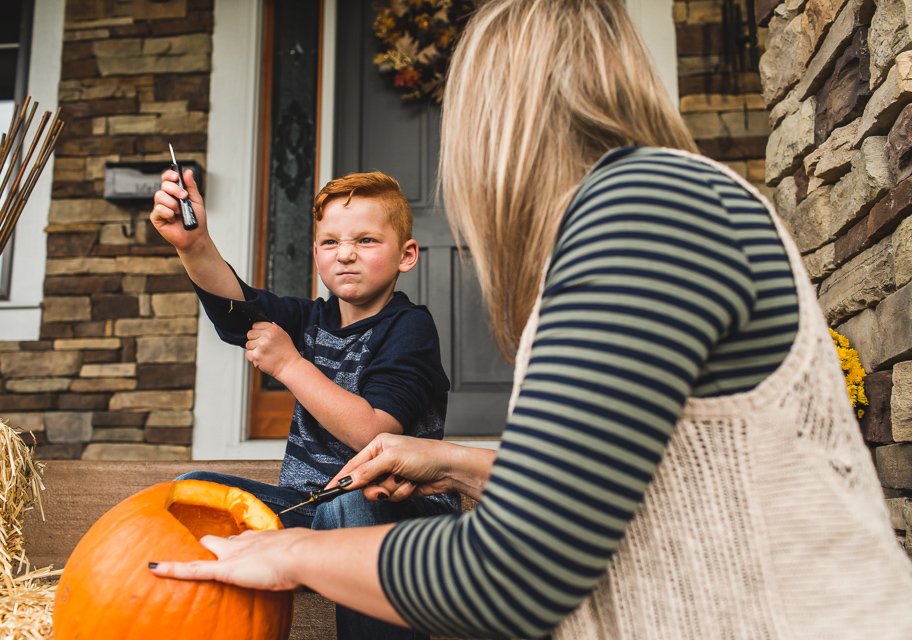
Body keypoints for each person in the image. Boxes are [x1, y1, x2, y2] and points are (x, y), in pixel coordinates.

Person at [149, 0, 912, 638]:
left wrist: (287, 557)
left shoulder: (643, 214)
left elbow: (516, 570)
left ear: (498, 118)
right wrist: (454, 462)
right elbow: (621, 486)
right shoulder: (639, 213)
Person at [150, 169, 460, 640]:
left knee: (352, 503)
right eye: (331, 242)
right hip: (311, 509)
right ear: (316, 253)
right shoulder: (309, 318)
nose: (347, 253)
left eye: (367, 240)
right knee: (191, 491)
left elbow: (374, 435)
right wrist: (193, 246)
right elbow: (236, 306)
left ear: (407, 255)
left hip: (403, 521)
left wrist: (290, 365)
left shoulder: (410, 329)